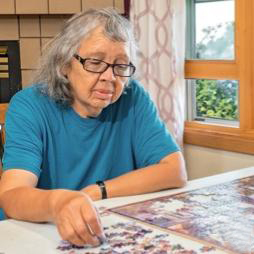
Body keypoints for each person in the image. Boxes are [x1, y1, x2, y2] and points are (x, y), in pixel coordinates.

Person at [0, 8, 187, 247]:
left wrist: (97, 191)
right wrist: (59, 203)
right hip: (40, 235)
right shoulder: (29, 105)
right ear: (64, 64)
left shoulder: (133, 97)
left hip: (108, 230)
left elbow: (175, 170)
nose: (110, 77)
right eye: (95, 62)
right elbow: (11, 194)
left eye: (121, 66)